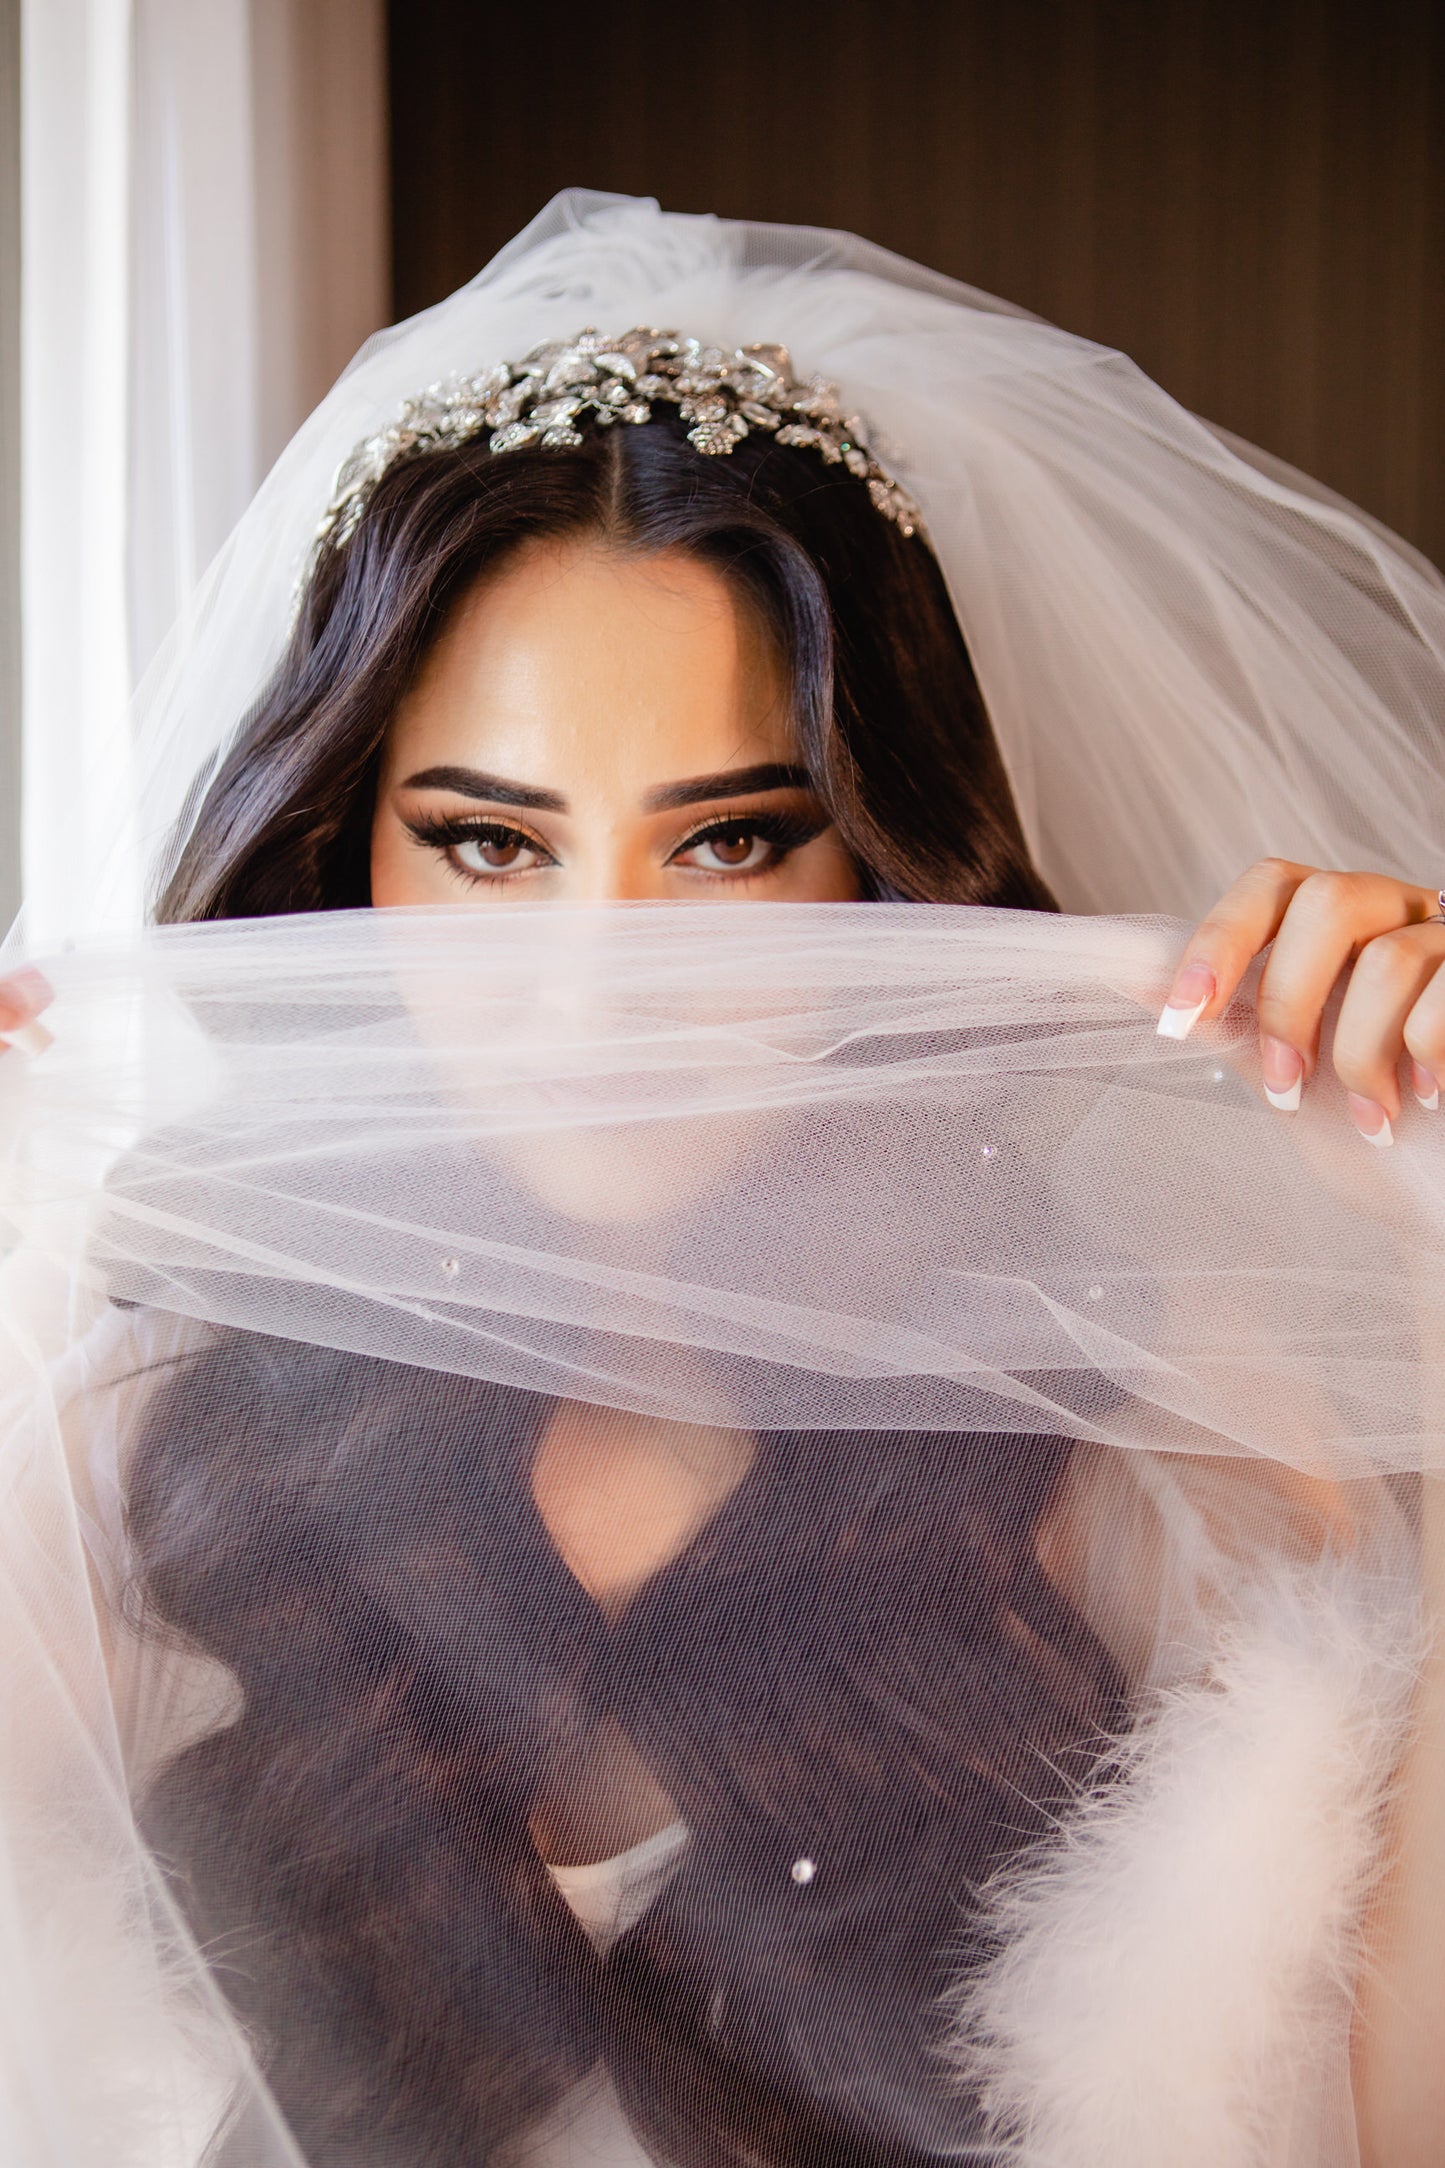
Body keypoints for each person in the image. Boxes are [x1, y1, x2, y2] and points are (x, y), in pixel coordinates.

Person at [1, 195, 1444, 2168]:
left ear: (883, 867)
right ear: (346, 877)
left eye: (732, 843)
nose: (608, 986)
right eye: (494, 848)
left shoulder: (1160, 1444)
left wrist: (1419, 1210)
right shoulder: (141, 1452)